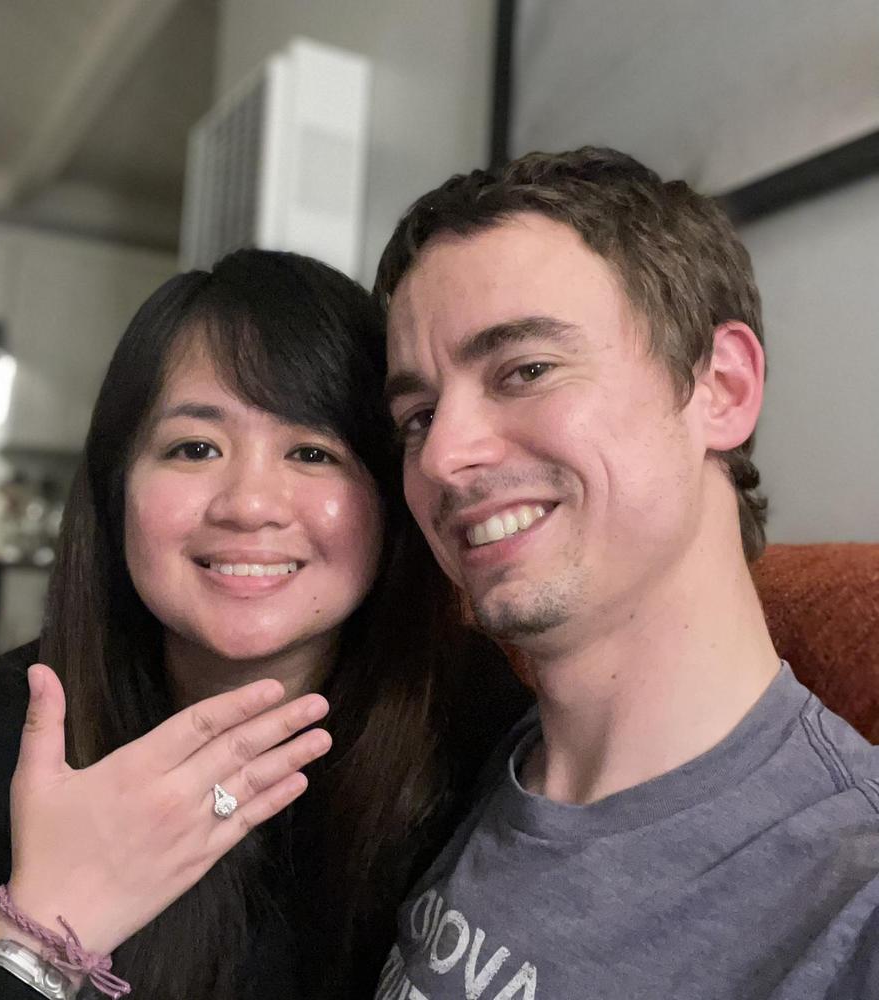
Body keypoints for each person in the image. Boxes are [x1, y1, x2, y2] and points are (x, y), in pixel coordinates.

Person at [0, 249, 530, 1000]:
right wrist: (39, 934)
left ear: (393, 497)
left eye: (312, 452)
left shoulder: (495, 749)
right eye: (195, 448)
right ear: (117, 488)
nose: (249, 504)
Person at [371, 147, 879, 999]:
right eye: (418, 416)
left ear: (722, 387)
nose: (443, 457)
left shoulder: (850, 897)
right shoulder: (452, 764)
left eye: (526, 371)